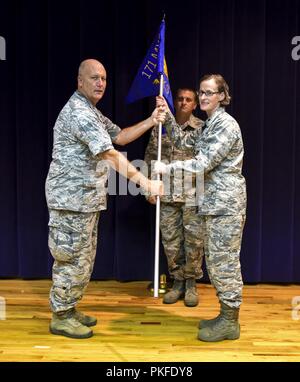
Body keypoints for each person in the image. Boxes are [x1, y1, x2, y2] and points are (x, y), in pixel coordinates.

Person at [45, 59, 164, 339]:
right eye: (94, 78)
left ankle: (69, 307)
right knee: (71, 258)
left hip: (84, 200)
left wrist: (151, 120)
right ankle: (60, 316)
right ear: (80, 82)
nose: (100, 83)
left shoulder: (92, 112)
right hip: (71, 200)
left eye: (104, 79)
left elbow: (120, 137)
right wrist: (145, 182)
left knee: (83, 259)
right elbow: (109, 154)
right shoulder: (79, 112)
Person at [154, 74, 247, 342]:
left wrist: (167, 168)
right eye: (201, 92)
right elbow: (184, 142)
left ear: (222, 96)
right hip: (214, 205)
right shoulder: (209, 125)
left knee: (224, 263)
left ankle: (230, 322)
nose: (204, 97)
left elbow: (202, 163)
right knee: (217, 264)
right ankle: (225, 315)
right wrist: (167, 115)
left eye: (209, 93)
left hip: (225, 206)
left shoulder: (225, 126)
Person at [144, 88, 204, 307]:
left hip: (193, 196)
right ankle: (177, 281)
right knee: (171, 242)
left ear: (195, 104)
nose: (183, 103)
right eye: (179, 99)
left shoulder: (202, 129)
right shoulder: (160, 128)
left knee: (194, 242)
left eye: (189, 100)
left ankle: (191, 284)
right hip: (167, 194)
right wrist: (149, 187)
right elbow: (151, 156)